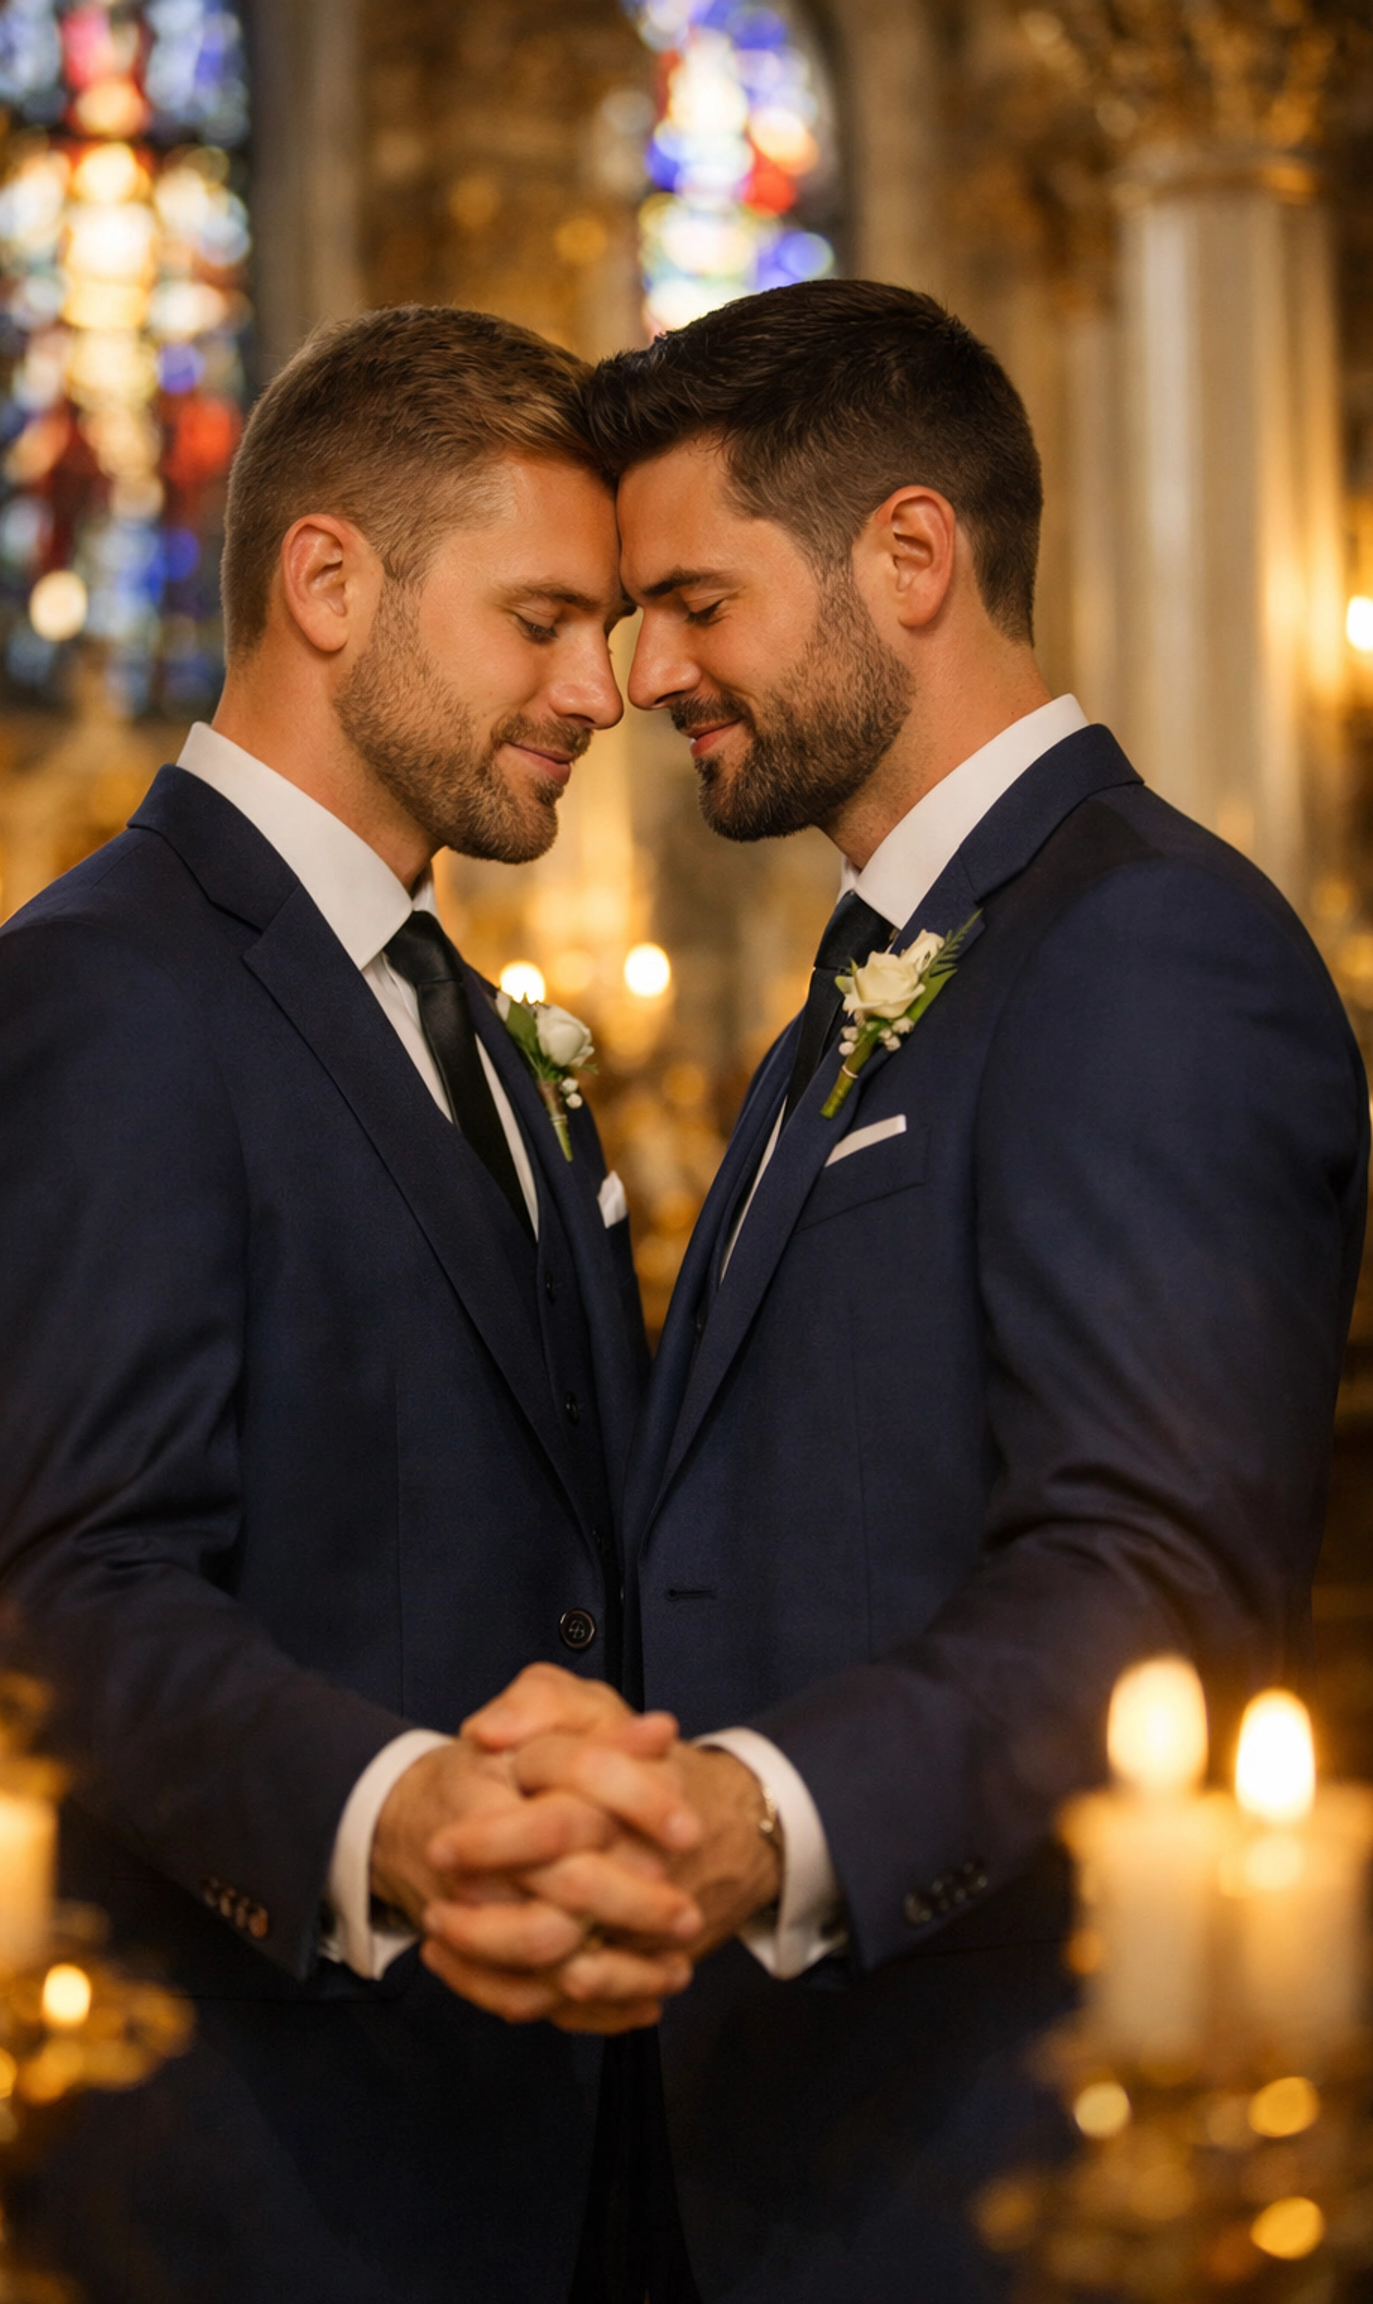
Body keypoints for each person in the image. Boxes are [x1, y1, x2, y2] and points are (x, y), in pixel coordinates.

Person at [420, 280, 1371, 2302]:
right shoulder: (891, 951)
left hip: (979, 2154)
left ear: (912, 556)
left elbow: (1153, 1569)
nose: (643, 672)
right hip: (763, 2127)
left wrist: (761, 1815)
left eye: (693, 598)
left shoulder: (1143, 949)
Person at [0, 305, 692, 2304]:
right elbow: (65, 1590)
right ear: (328, 581)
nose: (602, 689)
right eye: (540, 619)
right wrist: (394, 1818)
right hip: (271, 2174)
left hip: (567, 2145)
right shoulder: (103, 997)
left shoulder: (491, 1028)